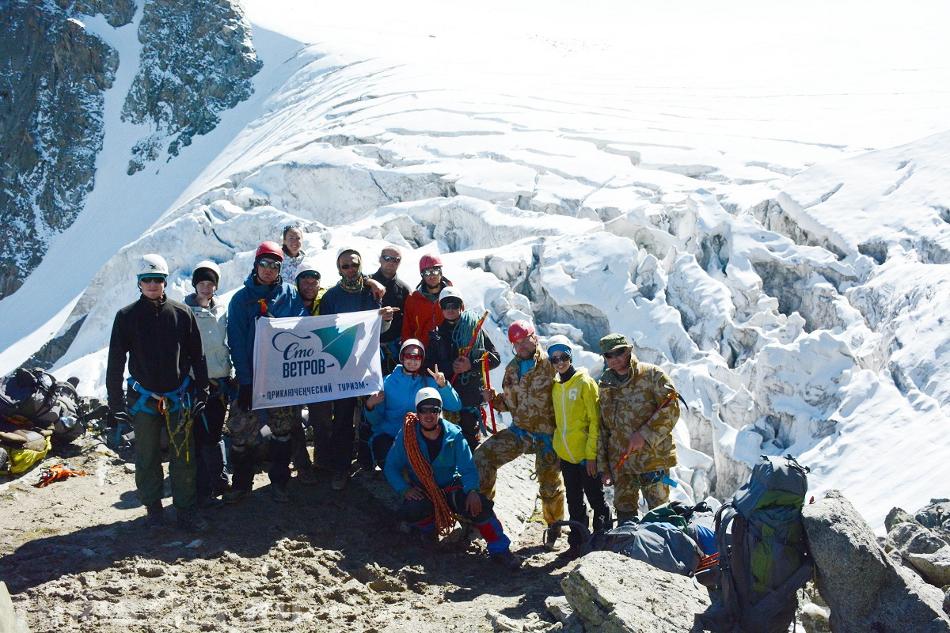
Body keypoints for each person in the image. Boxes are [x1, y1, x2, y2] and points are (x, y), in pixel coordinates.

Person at [106, 254, 210, 531]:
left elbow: (197, 356)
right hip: (144, 399)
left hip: (179, 396)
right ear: (139, 283)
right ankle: (154, 510)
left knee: (183, 455)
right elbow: (115, 362)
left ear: (165, 282)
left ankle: (185, 510)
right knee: (147, 456)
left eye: (157, 280)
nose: (152, 284)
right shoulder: (126, 317)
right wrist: (114, 404)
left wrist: (203, 391)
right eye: (147, 280)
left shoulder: (181, 313)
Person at [384, 388, 520, 569]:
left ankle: (500, 549)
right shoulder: (407, 436)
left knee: (480, 505)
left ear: (440, 412)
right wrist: (404, 489)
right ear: (417, 412)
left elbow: (467, 467)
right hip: (424, 490)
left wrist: (472, 490)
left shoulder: (454, 435)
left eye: (434, 409)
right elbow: (391, 466)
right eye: (423, 410)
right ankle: (428, 530)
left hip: (451, 488)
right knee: (413, 507)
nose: (429, 414)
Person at [225, 241, 305, 504]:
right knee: (240, 431)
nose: (269, 270)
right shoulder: (240, 300)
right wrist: (246, 383)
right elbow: (236, 341)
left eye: (275, 265)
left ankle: (280, 481)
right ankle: (241, 483)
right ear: (256, 265)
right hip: (250, 378)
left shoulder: (290, 295)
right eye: (265, 264)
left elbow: (303, 328)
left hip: (281, 377)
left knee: (283, 429)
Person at [476, 320, 565, 549]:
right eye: (517, 343)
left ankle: (554, 525)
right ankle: (483, 512)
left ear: (534, 337)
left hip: (548, 434)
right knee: (484, 457)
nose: (522, 346)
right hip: (521, 431)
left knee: (550, 484)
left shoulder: (551, 363)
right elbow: (508, 403)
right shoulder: (512, 369)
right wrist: (493, 400)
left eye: (525, 340)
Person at [318, 248, 398, 490]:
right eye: (345, 266)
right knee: (342, 418)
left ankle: (367, 462)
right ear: (338, 269)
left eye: (354, 265)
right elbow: (324, 332)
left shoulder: (371, 292)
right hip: (341, 366)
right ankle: (340, 468)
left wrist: (385, 319)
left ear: (361, 265)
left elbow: (378, 331)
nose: (350, 270)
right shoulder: (331, 297)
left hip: (367, 365)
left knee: (369, 414)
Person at [596, 333, 681, 524]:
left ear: (628, 351)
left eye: (619, 352)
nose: (615, 358)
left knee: (660, 514)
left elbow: (671, 409)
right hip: (621, 464)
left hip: (652, 461)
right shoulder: (605, 385)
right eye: (609, 355)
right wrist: (604, 467)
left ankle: (663, 551)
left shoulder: (653, 375)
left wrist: (644, 434)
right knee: (625, 515)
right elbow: (603, 428)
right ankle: (628, 551)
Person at [548, 335, 611, 556]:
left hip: (586, 455)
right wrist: (559, 449)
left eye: (563, 357)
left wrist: (592, 455)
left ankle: (603, 539)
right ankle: (577, 542)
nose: (559, 363)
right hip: (567, 456)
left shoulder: (584, 382)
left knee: (595, 498)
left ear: (570, 356)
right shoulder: (556, 387)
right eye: (554, 359)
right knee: (574, 500)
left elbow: (595, 421)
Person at [364, 339, 462, 468]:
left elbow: (455, 405)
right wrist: (370, 406)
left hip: (420, 437)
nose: (412, 360)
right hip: (390, 435)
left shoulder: (430, 382)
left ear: (422, 359)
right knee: (384, 450)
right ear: (401, 357)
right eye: (408, 356)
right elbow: (375, 421)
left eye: (417, 356)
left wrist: (443, 386)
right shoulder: (387, 383)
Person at [184, 260, 233, 508]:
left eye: (210, 283)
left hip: (220, 381)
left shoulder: (222, 310)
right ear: (195, 285)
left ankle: (217, 481)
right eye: (202, 283)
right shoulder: (184, 312)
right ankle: (206, 486)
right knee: (202, 436)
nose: (206, 287)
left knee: (213, 433)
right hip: (196, 384)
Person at [426, 286, 500, 449]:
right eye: (446, 306)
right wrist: (451, 367)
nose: (450, 309)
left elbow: (495, 359)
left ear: (462, 307)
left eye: (454, 305)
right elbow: (430, 365)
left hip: (472, 396)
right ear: (441, 309)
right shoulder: (437, 335)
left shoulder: (476, 330)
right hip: (448, 396)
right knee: (449, 442)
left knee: (470, 442)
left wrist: (471, 365)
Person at [371, 246, 411, 375]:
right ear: (380, 259)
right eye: (387, 258)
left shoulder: (404, 289)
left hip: (394, 349)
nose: (391, 262)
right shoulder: (366, 283)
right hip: (368, 347)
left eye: (396, 259)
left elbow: (409, 319)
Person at [401, 254, 451, 348]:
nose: (431, 276)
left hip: (449, 350)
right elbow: (407, 329)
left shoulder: (452, 295)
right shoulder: (413, 299)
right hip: (422, 350)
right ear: (422, 275)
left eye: (435, 271)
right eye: (427, 272)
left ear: (441, 272)